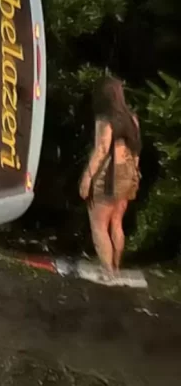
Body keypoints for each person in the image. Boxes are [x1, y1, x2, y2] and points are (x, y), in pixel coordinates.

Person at [78, 76, 142, 277]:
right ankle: (115, 267)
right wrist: (134, 176)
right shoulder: (132, 118)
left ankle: (107, 271)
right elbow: (137, 149)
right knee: (116, 222)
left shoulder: (105, 119)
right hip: (128, 173)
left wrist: (87, 178)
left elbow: (102, 150)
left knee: (98, 225)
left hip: (108, 176)